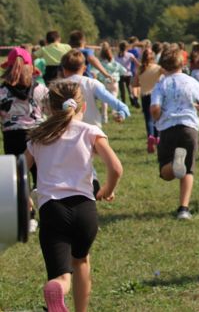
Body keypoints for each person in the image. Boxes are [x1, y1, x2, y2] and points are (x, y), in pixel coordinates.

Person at [24, 80, 123, 312]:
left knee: (61, 276)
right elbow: (116, 168)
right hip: (85, 210)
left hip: (52, 210)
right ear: (83, 107)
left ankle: (58, 287)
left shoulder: (38, 137)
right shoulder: (90, 132)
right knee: (81, 260)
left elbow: (17, 172)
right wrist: (107, 190)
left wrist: (25, 197)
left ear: (48, 108)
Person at [150, 45, 199, 220]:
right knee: (188, 170)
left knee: (165, 172)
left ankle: (173, 165)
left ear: (162, 65)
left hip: (168, 129)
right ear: (182, 63)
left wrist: (157, 118)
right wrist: (198, 108)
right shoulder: (190, 81)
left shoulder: (161, 84)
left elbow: (155, 108)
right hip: (189, 128)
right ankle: (183, 209)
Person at [0, 46, 48, 233]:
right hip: (38, 135)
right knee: (42, 175)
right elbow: (50, 110)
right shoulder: (40, 89)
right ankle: (47, 211)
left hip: (13, 138)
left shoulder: (2, 92)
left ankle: (28, 218)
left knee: (19, 180)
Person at [60, 50, 131, 129]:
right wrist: (122, 113)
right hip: (91, 129)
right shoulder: (92, 84)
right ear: (84, 68)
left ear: (63, 69)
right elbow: (119, 105)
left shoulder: (56, 86)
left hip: (66, 130)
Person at [132, 48, 162, 154]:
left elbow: (134, 84)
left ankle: (150, 136)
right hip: (156, 95)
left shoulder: (140, 69)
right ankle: (157, 137)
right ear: (153, 56)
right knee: (157, 118)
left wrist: (143, 83)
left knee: (148, 119)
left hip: (145, 95)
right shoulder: (158, 68)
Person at [96, 42, 128, 123]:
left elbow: (96, 72)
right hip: (114, 82)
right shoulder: (115, 63)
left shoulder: (101, 63)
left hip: (105, 82)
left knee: (104, 100)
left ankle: (104, 117)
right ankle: (115, 113)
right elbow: (124, 71)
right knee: (114, 99)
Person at [116, 41, 140, 108]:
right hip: (128, 74)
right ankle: (132, 100)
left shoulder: (117, 56)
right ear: (127, 47)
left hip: (120, 74)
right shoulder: (130, 55)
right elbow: (137, 63)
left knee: (122, 90)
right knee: (129, 88)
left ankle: (123, 103)